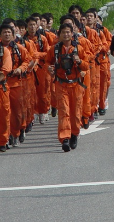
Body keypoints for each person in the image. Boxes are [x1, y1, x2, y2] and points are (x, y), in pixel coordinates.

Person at [45, 23, 89, 152]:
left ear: (72, 34)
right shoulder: (54, 49)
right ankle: (64, 138)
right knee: (64, 111)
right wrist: (50, 69)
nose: (66, 34)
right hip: (61, 84)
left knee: (75, 112)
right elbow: (48, 61)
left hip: (76, 85)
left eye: (68, 32)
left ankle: (74, 134)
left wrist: (79, 61)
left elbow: (86, 65)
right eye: (63, 32)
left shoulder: (78, 49)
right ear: (59, 35)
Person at [0, 24, 31, 146]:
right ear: (0, 35)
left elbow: (27, 60)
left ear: (13, 35)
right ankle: (7, 136)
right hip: (1, 84)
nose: (6, 34)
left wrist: (20, 69)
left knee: (17, 112)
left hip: (16, 84)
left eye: (9, 32)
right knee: (4, 112)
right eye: (4, 32)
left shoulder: (19, 48)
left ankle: (18, 130)